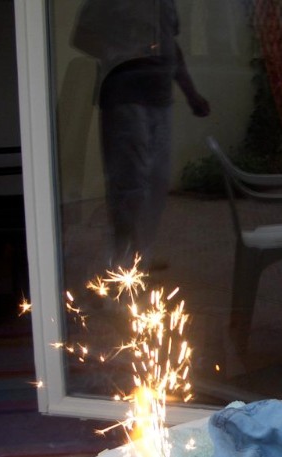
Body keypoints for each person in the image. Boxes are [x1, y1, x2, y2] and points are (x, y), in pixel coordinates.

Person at [72, 0, 210, 269]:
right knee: (128, 183)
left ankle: (141, 255)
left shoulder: (165, 2)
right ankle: (120, 260)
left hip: (160, 98)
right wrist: (123, 53)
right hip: (124, 95)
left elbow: (171, 46)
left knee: (157, 181)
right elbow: (81, 37)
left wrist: (191, 93)